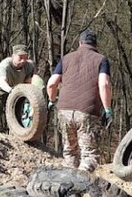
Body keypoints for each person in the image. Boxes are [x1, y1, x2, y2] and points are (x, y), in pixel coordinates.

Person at [45, 29, 113, 172]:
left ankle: (67, 183)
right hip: (87, 111)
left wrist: (51, 100)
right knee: (89, 156)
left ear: (80, 43)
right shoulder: (101, 60)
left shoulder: (66, 58)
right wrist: (107, 109)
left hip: (64, 110)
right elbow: (104, 84)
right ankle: (81, 181)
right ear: (96, 45)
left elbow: (51, 83)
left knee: (69, 153)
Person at [0, 44, 35, 129]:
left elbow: (29, 82)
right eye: (20, 57)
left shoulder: (29, 66)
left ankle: (15, 134)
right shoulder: (5, 65)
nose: (23, 61)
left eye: (25, 57)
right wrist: (11, 90)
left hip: (17, 92)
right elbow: (2, 81)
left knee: (17, 116)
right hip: (0, 91)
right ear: (13, 56)